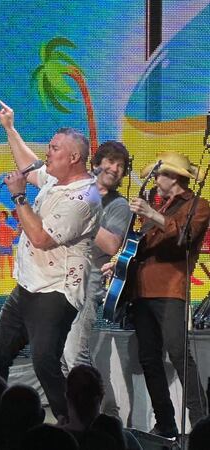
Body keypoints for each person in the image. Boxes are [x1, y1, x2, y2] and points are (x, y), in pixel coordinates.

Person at [0, 100, 101, 419]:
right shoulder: (55, 179)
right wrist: (9, 128)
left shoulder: (83, 198)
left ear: (74, 157)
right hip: (29, 286)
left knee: (45, 363)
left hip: (56, 291)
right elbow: (30, 165)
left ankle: (72, 423)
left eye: (54, 148)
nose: (48, 152)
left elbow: (41, 237)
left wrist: (19, 197)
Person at [118, 152, 209, 438]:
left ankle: (201, 424)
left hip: (170, 289)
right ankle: (166, 423)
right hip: (142, 292)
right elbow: (142, 248)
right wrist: (120, 262)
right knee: (149, 358)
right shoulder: (162, 207)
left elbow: (184, 237)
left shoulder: (199, 206)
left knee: (179, 354)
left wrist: (152, 214)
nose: (155, 181)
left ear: (175, 178)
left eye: (159, 175)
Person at [62, 141, 132, 371]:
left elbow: (112, 245)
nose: (115, 168)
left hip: (88, 279)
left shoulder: (119, 205)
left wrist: (88, 211)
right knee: (59, 354)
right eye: (111, 161)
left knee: (75, 353)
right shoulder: (75, 189)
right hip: (60, 275)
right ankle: (68, 406)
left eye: (121, 166)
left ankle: (90, 405)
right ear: (96, 163)